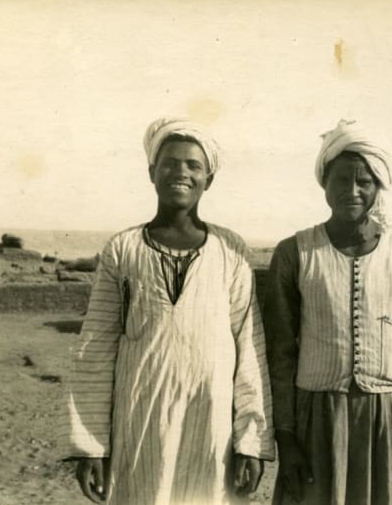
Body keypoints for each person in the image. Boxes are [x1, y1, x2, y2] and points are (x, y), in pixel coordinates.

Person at [64, 117, 275, 504]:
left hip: (211, 427)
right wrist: (92, 446)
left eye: (194, 165)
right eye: (170, 163)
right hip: (140, 423)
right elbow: (94, 350)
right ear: (151, 172)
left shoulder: (231, 250)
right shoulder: (122, 249)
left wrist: (250, 440)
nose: (181, 172)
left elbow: (250, 347)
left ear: (208, 179)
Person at [263, 119, 392, 505]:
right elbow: (280, 353)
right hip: (317, 419)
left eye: (364, 181)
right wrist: (286, 437)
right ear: (324, 183)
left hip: (388, 422)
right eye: (342, 180)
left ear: (378, 187)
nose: (352, 191)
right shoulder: (295, 253)